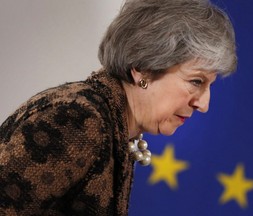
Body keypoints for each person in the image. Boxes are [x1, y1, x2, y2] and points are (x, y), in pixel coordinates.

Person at [0, 0, 237, 215]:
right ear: (142, 68)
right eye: (196, 81)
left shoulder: (114, 123)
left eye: (209, 85)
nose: (203, 104)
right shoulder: (80, 120)